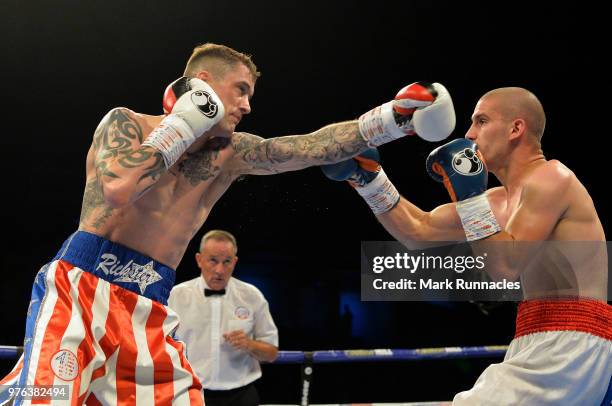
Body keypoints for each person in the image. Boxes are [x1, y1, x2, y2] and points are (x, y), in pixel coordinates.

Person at [0, 42, 456, 405]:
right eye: (240, 90)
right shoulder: (128, 123)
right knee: (44, 399)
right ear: (202, 85)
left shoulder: (230, 155)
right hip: (82, 287)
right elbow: (119, 186)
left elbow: (307, 147)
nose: (247, 106)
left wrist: (392, 120)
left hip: (149, 305)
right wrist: (182, 122)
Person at [323, 87, 611, 404]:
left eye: (482, 121)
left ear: (516, 128)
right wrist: (370, 182)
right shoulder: (496, 201)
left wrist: (470, 196)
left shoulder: (552, 177)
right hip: (536, 337)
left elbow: (504, 269)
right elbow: (417, 231)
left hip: (572, 341)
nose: (470, 134)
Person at [168, 230, 278, 406]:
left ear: (234, 262)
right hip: (190, 394)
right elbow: (157, 345)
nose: (219, 270)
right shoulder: (176, 296)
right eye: (213, 260)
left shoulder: (252, 296)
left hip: (242, 396)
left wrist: (250, 344)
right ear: (199, 260)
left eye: (226, 262)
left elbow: (271, 353)